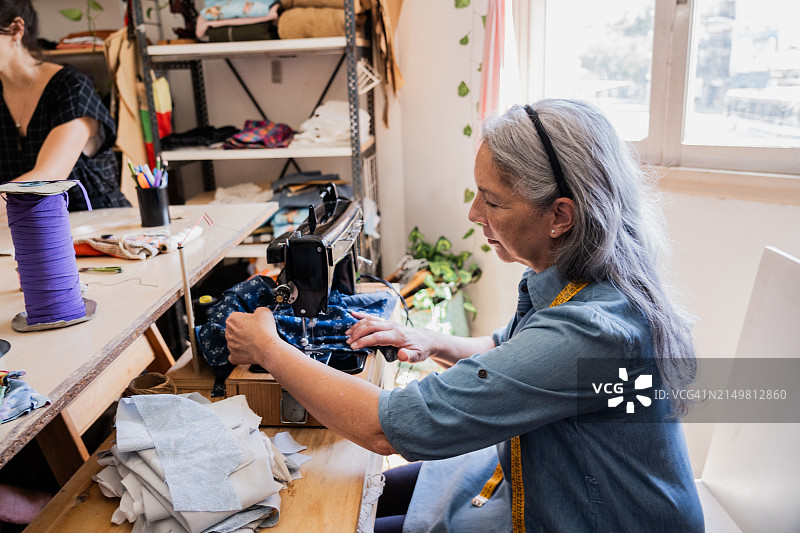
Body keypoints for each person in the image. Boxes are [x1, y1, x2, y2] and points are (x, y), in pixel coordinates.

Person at [225, 99, 704, 532]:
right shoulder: (582, 276)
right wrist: (436, 342)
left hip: (598, 518)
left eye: (493, 201)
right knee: (358, 496)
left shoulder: (594, 332)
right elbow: (510, 351)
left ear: (561, 216)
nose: (475, 214)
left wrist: (269, 349)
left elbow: (383, 427)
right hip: (551, 481)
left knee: (335, 514)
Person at [0, 0, 130, 211]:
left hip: (99, 226)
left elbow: (48, 178)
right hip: (27, 230)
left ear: (16, 30)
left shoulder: (71, 87)